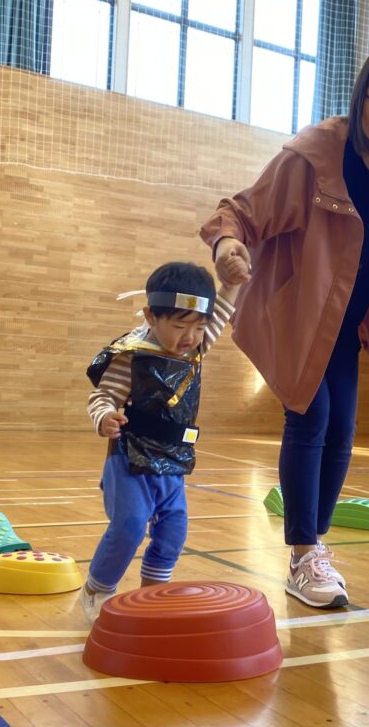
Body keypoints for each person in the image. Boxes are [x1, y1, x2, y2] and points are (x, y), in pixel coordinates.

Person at [200, 39, 369, 609]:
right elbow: (241, 211)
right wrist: (227, 244)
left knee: (343, 431)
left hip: (347, 327)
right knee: (311, 419)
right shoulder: (313, 157)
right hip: (300, 316)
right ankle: (304, 553)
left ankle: (313, 549)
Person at [80, 261, 242, 622]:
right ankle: (96, 589)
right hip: (130, 457)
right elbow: (102, 396)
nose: (191, 336)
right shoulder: (132, 355)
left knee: (173, 531)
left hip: (172, 460)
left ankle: (151, 596)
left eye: (199, 327)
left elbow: (219, 315)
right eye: (180, 326)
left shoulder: (193, 349)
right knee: (130, 526)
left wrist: (231, 285)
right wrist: (104, 417)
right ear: (151, 316)